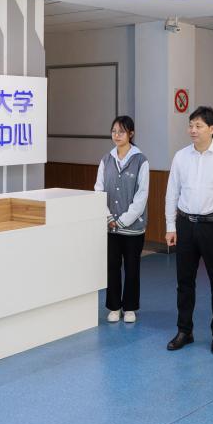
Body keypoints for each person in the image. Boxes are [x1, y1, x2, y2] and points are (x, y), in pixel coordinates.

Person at [165, 106, 213, 355]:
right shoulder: (180, 157)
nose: (193, 130)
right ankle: (184, 330)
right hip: (185, 224)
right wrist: (170, 225)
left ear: (212, 128)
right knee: (184, 281)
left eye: (198, 126)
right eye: (190, 125)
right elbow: (172, 193)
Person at [94, 115, 149, 324]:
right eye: (114, 131)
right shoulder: (106, 160)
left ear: (131, 134)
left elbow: (141, 196)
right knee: (112, 267)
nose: (117, 135)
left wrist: (122, 221)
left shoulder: (140, 160)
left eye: (122, 131)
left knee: (132, 268)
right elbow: (98, 190)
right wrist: (108, 216)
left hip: (133, 228)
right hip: (110, 226)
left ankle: (130, 307)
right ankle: (114, 307)